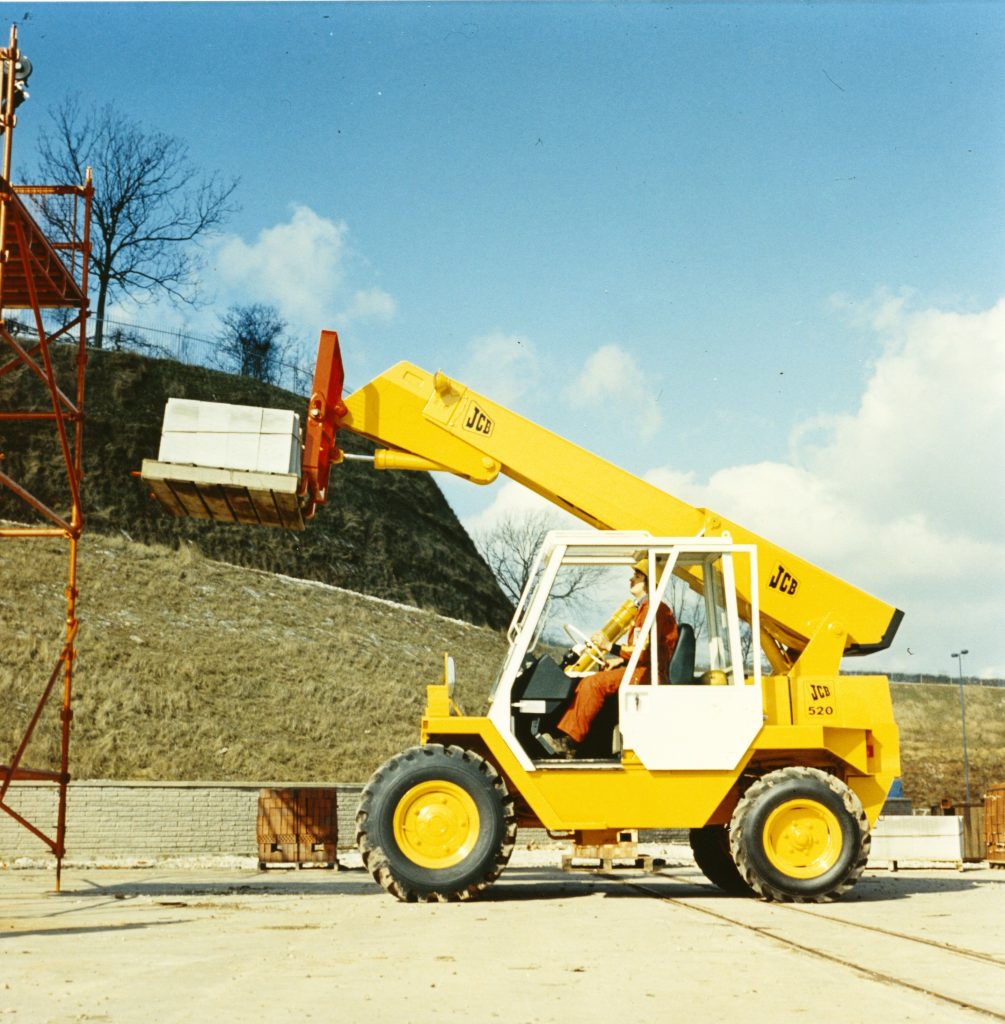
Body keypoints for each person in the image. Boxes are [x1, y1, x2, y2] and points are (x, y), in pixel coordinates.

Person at [545, 558, 679, 758]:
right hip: (643, 669)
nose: (631, 579)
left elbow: (643, 651)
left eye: (637, 576)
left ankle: (569, 742)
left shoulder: (654, 610)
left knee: (593, 684)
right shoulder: (645, 609)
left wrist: (610, 646)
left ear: (649, 582)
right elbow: (645, 651)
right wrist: (620, 660)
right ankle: (587, 745)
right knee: (586, 682)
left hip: (649, 675)